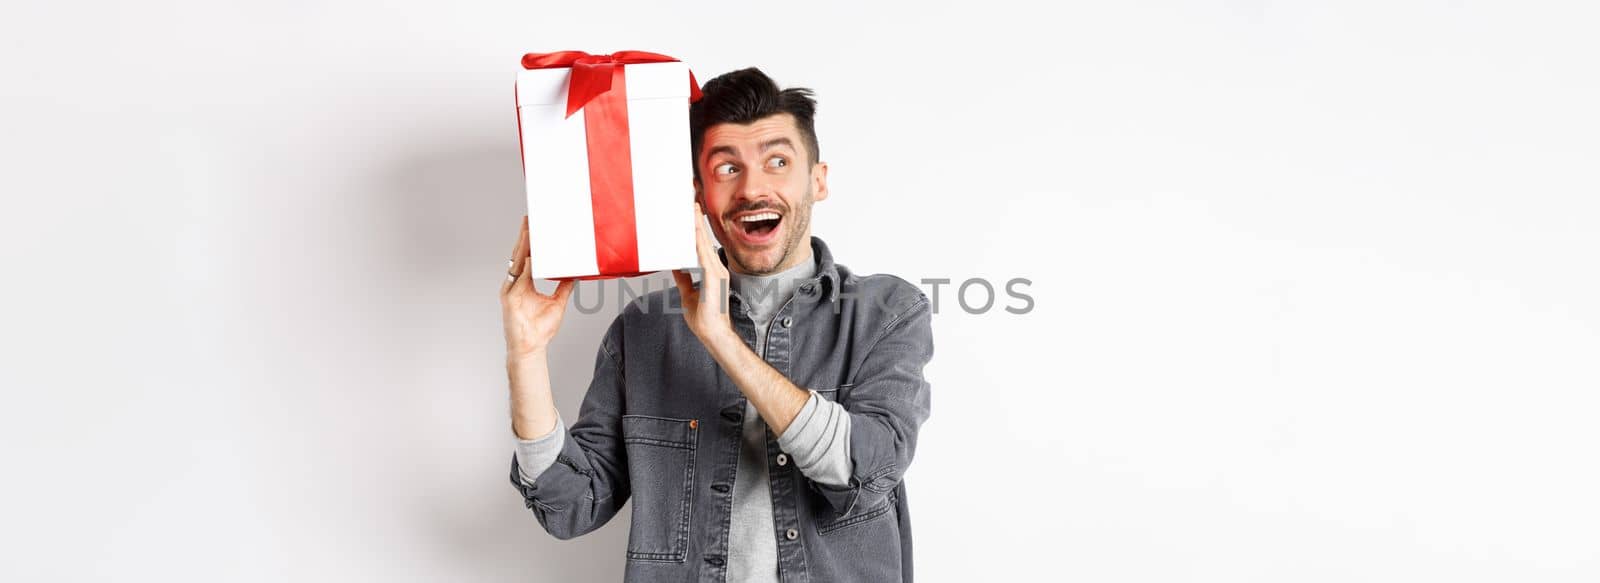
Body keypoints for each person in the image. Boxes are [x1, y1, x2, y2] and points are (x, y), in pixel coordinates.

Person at [498, 67, 934, 582]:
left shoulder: (887, 312)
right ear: (698, 195)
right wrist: (525, 357)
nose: (753, 189)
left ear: (817, 181)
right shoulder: (642, 330)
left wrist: (721, 338)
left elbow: (863, 472)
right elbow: (570, 507)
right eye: (727, 169)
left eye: (777, 162)